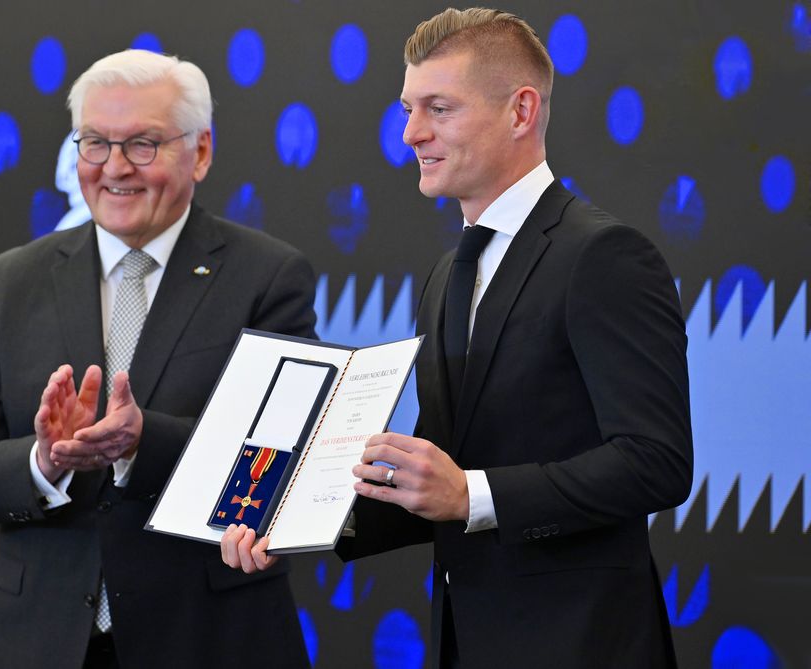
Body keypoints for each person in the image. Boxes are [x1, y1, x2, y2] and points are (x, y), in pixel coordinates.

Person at [221, 8, 693, 668]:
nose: (411, 132)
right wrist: (302, 515)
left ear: (521, 111)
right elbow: (440, 476)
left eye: (438, 108)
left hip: (583, 643)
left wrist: (471, 494)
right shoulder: (449, 274)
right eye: (409, 109)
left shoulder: (605, 256)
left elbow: (656, 461)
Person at [0, 49, 315, 669]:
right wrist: (42, 461)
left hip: (206, 637)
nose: (114, 169)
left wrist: (142, 442)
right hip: (41, 643)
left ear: (202, 151)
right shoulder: (11, 281)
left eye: (142, 144)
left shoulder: (268, 278)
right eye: (95, 143)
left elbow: (281, 469)